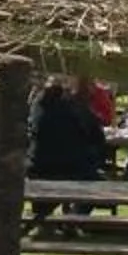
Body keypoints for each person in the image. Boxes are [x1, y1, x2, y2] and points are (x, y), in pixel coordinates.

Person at [28, 77, 109, 221]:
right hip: (74, 170)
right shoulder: (76, 106)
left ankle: (44, 223)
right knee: (100, 185)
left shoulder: (37, 105)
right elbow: (98, 138)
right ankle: (74, 218)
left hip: (38, 168)